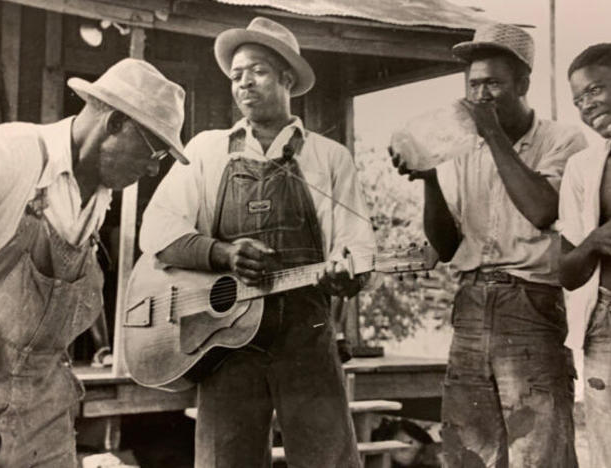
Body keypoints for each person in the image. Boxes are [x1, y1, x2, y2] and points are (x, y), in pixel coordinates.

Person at [0, 58, 188, 467]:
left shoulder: (96, 201)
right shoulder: (10, 155)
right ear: (113, 124)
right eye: (155, 151)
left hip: (38, 414)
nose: (151, 168)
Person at [139, 16, 374, 468]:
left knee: (329, 461)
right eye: (236, 74)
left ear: (288, 78)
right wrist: (222, 252)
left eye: (258, 71)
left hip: (307, 336)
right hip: (227, 339)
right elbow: (157, 232)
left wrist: (346, 275)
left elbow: (355, 247)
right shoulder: (207, 150)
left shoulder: (328, 157)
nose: (244, 82)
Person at [390, 23, 586, 467]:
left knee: (540, 454)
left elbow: (542, 210)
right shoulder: (462, 148)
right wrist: (429, 180)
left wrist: (492, 134)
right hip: (471, 305)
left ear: (523, 84)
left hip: (531, 306)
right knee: (469, 455)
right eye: (473, 85)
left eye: (493, 84)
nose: (480, 96)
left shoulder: (564, 140)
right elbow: (445, 244)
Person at [559, 43, 611, 468]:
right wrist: (594, 241)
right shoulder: (582, 167)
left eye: (595, 90)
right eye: (578, 100)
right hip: (605, 321)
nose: (586, 105)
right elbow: (568, 272)